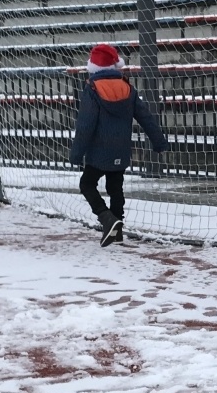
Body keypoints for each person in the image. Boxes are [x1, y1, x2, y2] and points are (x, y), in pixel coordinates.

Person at [69, 43, 167, 246]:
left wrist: (76, 154)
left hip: (98, 150)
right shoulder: (127, 87)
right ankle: (117, 229)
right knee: (116, 188)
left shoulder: (92, 89)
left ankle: (106, 218)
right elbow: (145, 117)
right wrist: (158, 141)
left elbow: (85, 125)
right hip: (121, 148)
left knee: (87, 184)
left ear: (93, 66)